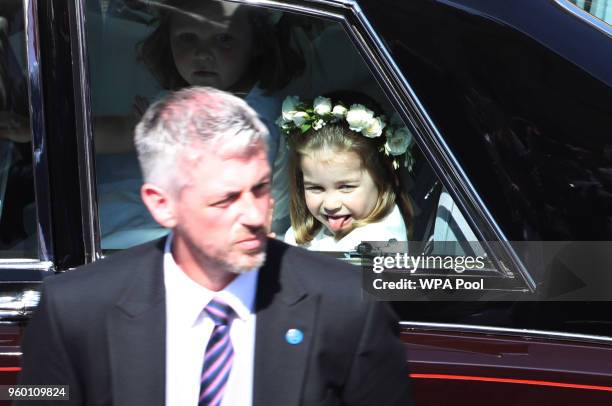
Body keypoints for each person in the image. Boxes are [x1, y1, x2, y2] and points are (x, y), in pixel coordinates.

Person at [16, 87, 413, 406]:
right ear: (161, 204)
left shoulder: (348, 305)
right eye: (224, 200)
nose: (256, 215)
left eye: (259, 189)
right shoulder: (72, 310)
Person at [281, 93, 415, 252]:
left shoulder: (376, 244)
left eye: (346, 187)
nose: (330, 204)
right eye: (315, 188)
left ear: (384, 179)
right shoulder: (310, 234)